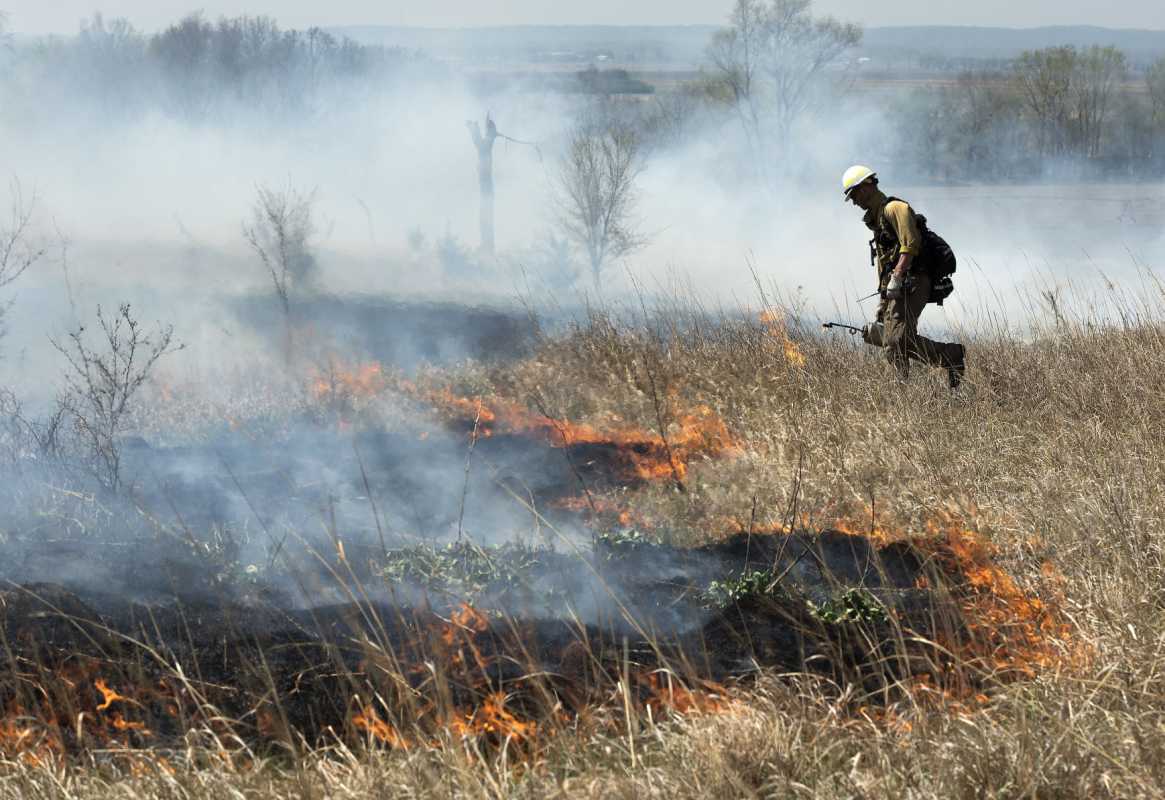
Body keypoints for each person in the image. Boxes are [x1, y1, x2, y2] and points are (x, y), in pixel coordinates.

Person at [842, 165, 966, 388]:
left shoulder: (895, 208)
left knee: (896, 340)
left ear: (867, 186)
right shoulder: (878, 220)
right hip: (898, 286)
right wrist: (883, 302)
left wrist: (897, 277)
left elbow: (911, 244)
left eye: (855, 194)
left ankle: (950, 355)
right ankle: (905, 388)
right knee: (892, 341)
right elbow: (884, 265)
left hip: (913, 281)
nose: (854, 201)